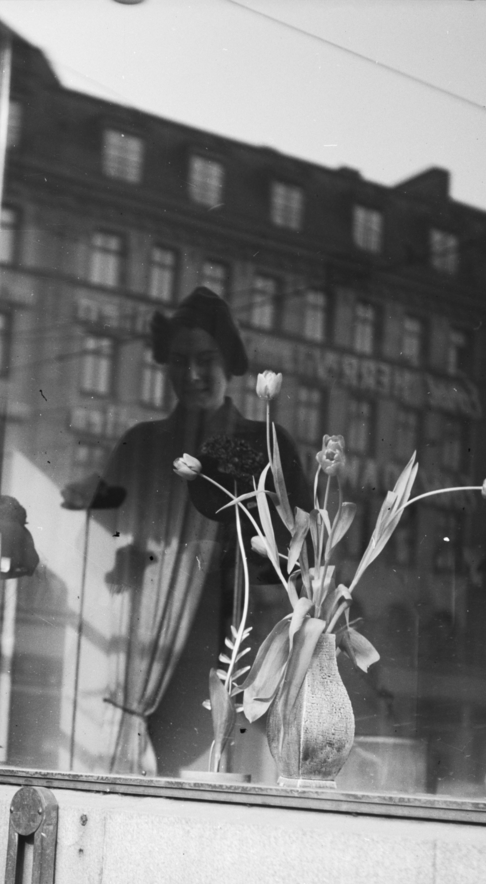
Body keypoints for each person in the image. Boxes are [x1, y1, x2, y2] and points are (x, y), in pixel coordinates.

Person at [75, 286, 311, 775]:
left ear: (229, 363)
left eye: (206, 360)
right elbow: (94, 545)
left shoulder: (266, 444)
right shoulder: (141, 446)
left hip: (243, 641)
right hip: (153, 656)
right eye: (180, 361)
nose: (193, 375)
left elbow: (303, 553)